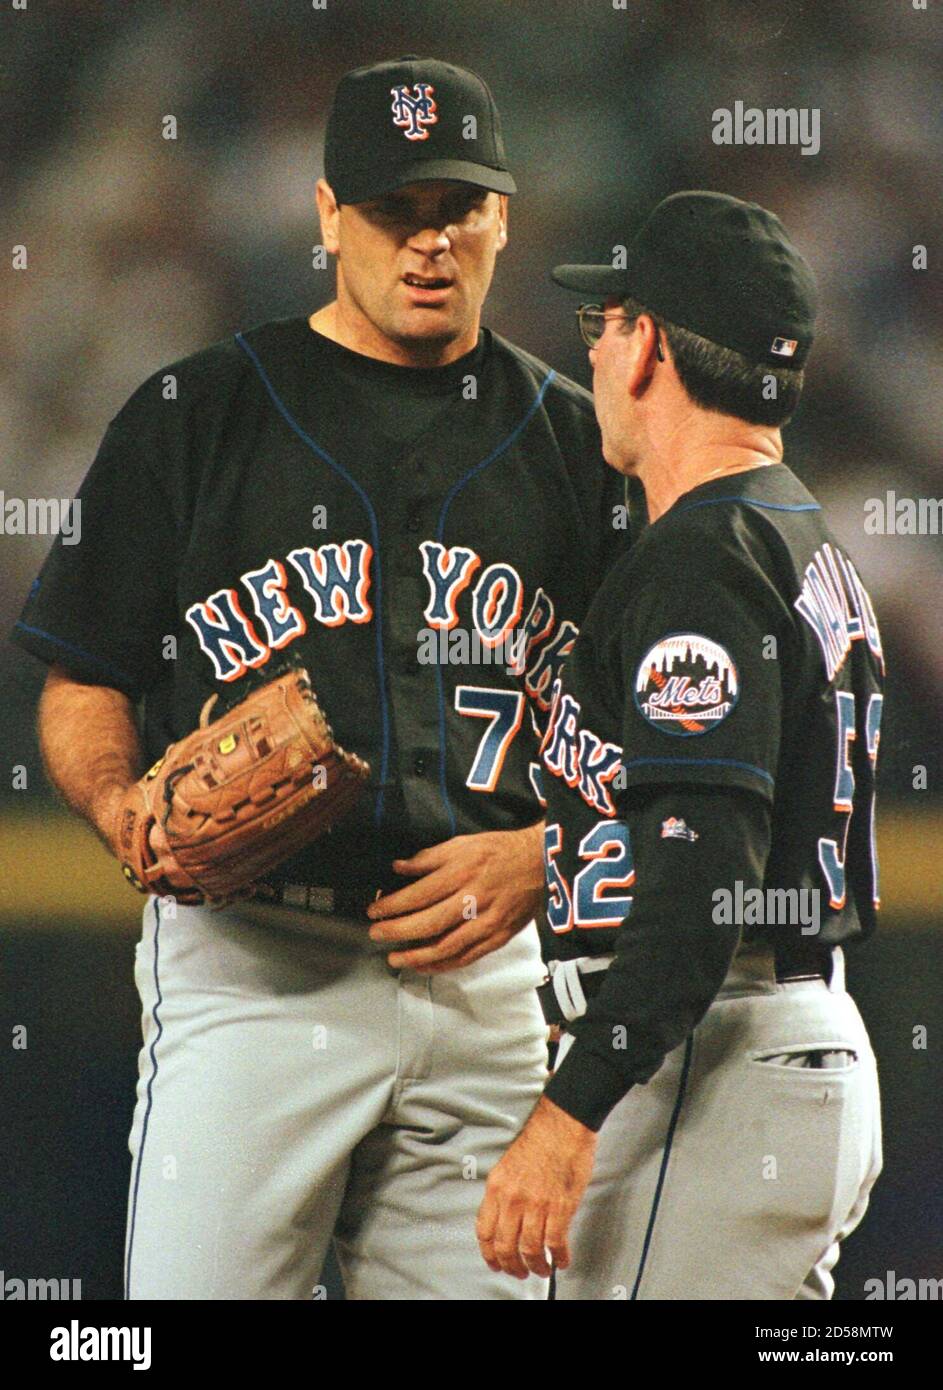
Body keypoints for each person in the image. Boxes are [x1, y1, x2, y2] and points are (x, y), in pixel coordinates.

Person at [12, 56, 628, 1300]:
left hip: (488, 980)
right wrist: (120, 803)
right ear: (327, 214)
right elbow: (84, 677)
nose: (428, 243)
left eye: (457, 209)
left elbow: (669, 723)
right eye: (395, 211)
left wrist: (550, 855)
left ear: (503, 218)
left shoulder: (582, 446)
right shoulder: (197, 412)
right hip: (256, 964)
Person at [477, 191, 884, 1300]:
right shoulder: (791, 532)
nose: (596, 357)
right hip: (776, 1045)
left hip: (715, 1056)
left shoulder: (702, 556)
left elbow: (702, 881)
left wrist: (568, 1113)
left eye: (602, 327)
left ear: (646, 341)